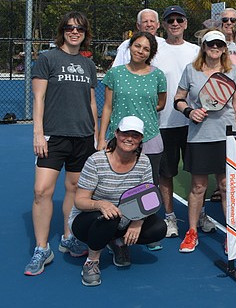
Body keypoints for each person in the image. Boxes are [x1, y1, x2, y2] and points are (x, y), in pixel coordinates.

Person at [25, 11, 98, 276]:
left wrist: (97, 136)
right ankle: (42, 248)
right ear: (63, 30)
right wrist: (37, 133)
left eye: (79, 28)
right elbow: (39, 99)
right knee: (42, 191)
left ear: (85, 32)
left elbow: (91, 102)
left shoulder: (88, 64)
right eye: (69, 27)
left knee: (75, 188)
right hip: (53, 136)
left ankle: (68, 236)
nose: (74, 31)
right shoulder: (47, 58)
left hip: (83, 137)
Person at [71, 116, 168, 286]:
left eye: (135, 135)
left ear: (140, 139)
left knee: (159, 228)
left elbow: (150, 199)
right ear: (116, 133)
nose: (129, 138)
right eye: (125, 133)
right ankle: (92, 262)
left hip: (126, 218)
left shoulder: (144, 162)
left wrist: (138, 221)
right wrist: (100, 204)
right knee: (111, 217)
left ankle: (117, 243)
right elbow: (79, 201)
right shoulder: (96, 161)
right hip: (89, 220)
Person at [174, 30, 236, 253]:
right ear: (204, 47)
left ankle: (231, 235)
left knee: (226, 186)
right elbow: (178, 98)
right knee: (198, 187)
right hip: (199, 137)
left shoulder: (231, 71)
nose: (215, 47)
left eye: (219, 44)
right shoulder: (191, 70)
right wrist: (189, 112)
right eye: (210, 43)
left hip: (226, 136)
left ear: (224, 48)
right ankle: (192, 232)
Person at [154, 5, 199, 241]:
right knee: (166, 173)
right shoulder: (156, 49)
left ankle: (198, 213)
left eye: (179, 19)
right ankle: (170, 216)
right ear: (164, 24)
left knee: (197, 173)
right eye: (170, 20)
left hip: (194, 123)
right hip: (163, 124)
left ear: (186, 23)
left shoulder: (196, 51)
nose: (174, 23)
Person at [98, 31, 167, 185]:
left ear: (151, 54)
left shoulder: (158, 75)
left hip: (149, 138)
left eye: (146, 49)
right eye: (137, 46)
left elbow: (161, 103)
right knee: (114, 185)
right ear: (130, 46)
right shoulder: (115, 74)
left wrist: (142, 109)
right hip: (118, 138)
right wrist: (101, 139)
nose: (140, 51)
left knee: (148, 189)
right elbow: (108, 107)